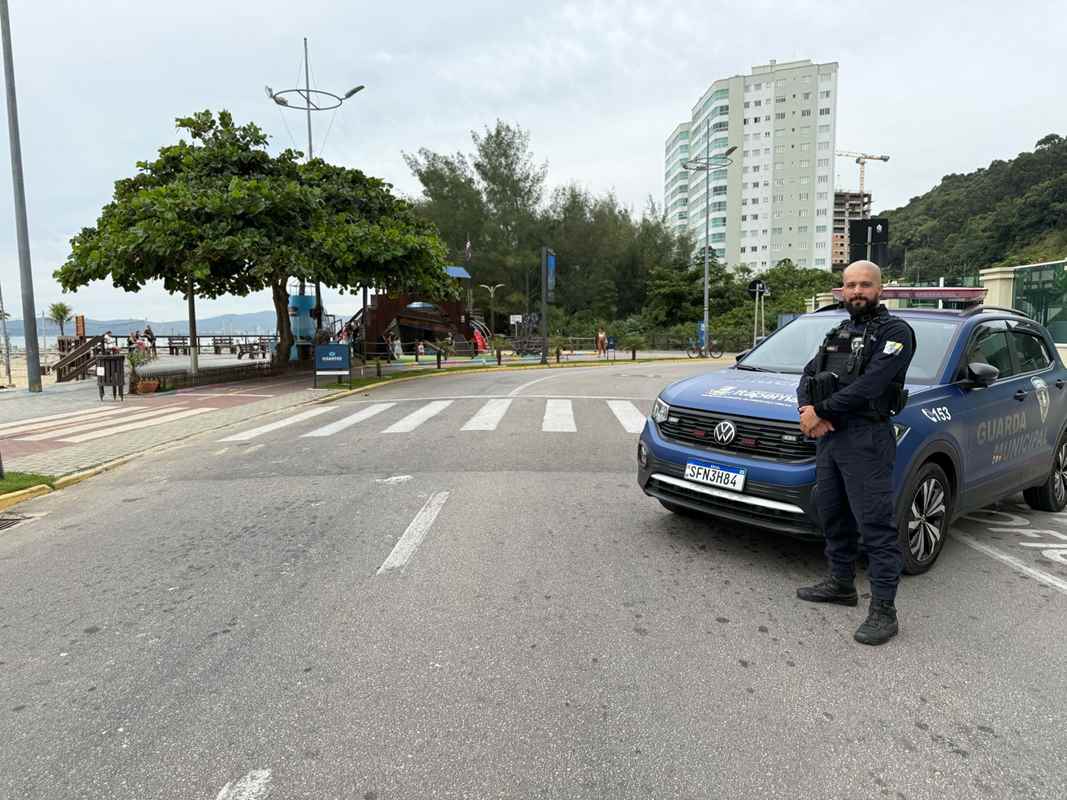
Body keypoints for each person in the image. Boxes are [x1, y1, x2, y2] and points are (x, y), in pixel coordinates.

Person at [795, 261, 916, 646]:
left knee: (875, 526)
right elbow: (808, 374)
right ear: (842, 290)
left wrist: (821, 411)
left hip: (866, 437)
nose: (857, 291)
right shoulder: (839, 330)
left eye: (865, 285)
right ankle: (841, 582)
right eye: (850, 285)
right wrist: (805, 411)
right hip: (831, 438)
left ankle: (884, 610)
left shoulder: (896, 332)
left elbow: (870, 384)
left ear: (880, 289)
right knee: (832, 513)